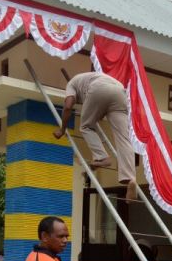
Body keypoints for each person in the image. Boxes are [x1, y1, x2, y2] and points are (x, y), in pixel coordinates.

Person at [53, 71, 137, 200]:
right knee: (123, 138)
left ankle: (102, 157)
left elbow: (68, 106)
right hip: (120, 92)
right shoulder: (84, 80)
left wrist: (62, 129)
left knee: (86, 126)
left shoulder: (71, 84)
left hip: (98, 88)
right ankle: (130, 177)